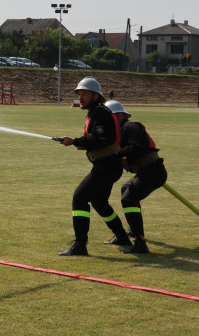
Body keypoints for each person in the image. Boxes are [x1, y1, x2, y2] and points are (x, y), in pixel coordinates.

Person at [55, 77, 131, 256]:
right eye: (79, 94)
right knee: (99, 202)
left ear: (96, 96)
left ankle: (80, 244)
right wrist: (83, 144)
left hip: (107, 166)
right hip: (108, 166)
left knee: (79, 197)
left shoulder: (99, 112)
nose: (80, 97)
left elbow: (104, 138)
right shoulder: (96, 112)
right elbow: (100, 140)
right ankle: (122, 236)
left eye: (84, 94)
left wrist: (75, 141)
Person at [103, 100, 167, 255]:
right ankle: (133, 231)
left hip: (154, 171)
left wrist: (119, 154)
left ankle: (140, 243)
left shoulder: (130, 127)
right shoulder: (121, 131)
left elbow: (139, 147)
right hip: (147, 171)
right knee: (126, 189)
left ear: (118, 116)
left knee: (129, 198)